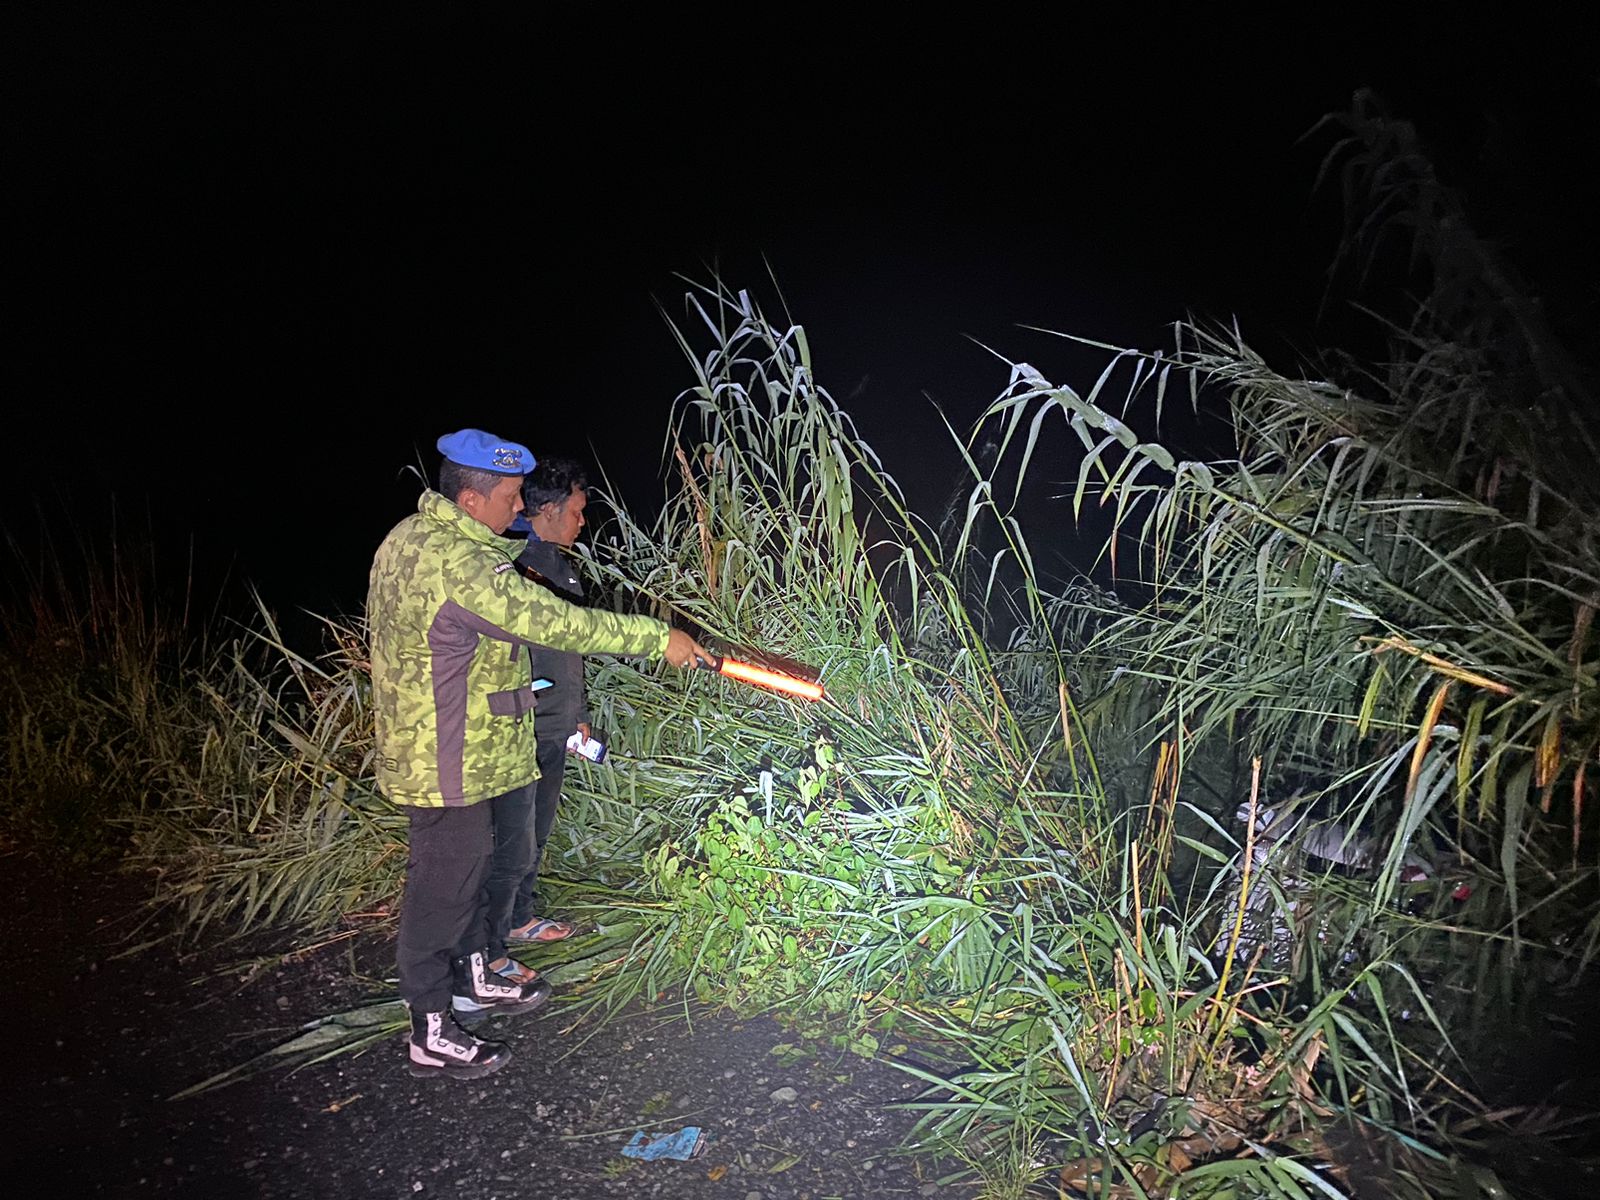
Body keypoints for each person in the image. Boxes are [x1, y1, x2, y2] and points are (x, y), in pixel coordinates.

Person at [367, 429, 708, 1080]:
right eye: (510, 497)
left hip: (471, 744)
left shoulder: (411, 539)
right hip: (448, 758)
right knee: (444, 888)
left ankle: (475, 978)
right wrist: (656, 636)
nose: (518, 508)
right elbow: (554, 622)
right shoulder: (459, 563)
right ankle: (430, 1027)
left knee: (478, 871)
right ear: (471, 501)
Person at [481, 457, 592, 973]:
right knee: (512, 840)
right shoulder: (519, 565)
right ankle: (490, 942)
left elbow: (568, 653)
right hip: (521, 726)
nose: (581, 521)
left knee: (537, 832)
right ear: (546, 510)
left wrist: (578, 714)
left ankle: (520, 918)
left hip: (556, 725)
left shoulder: (560, 565)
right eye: (575, 511)